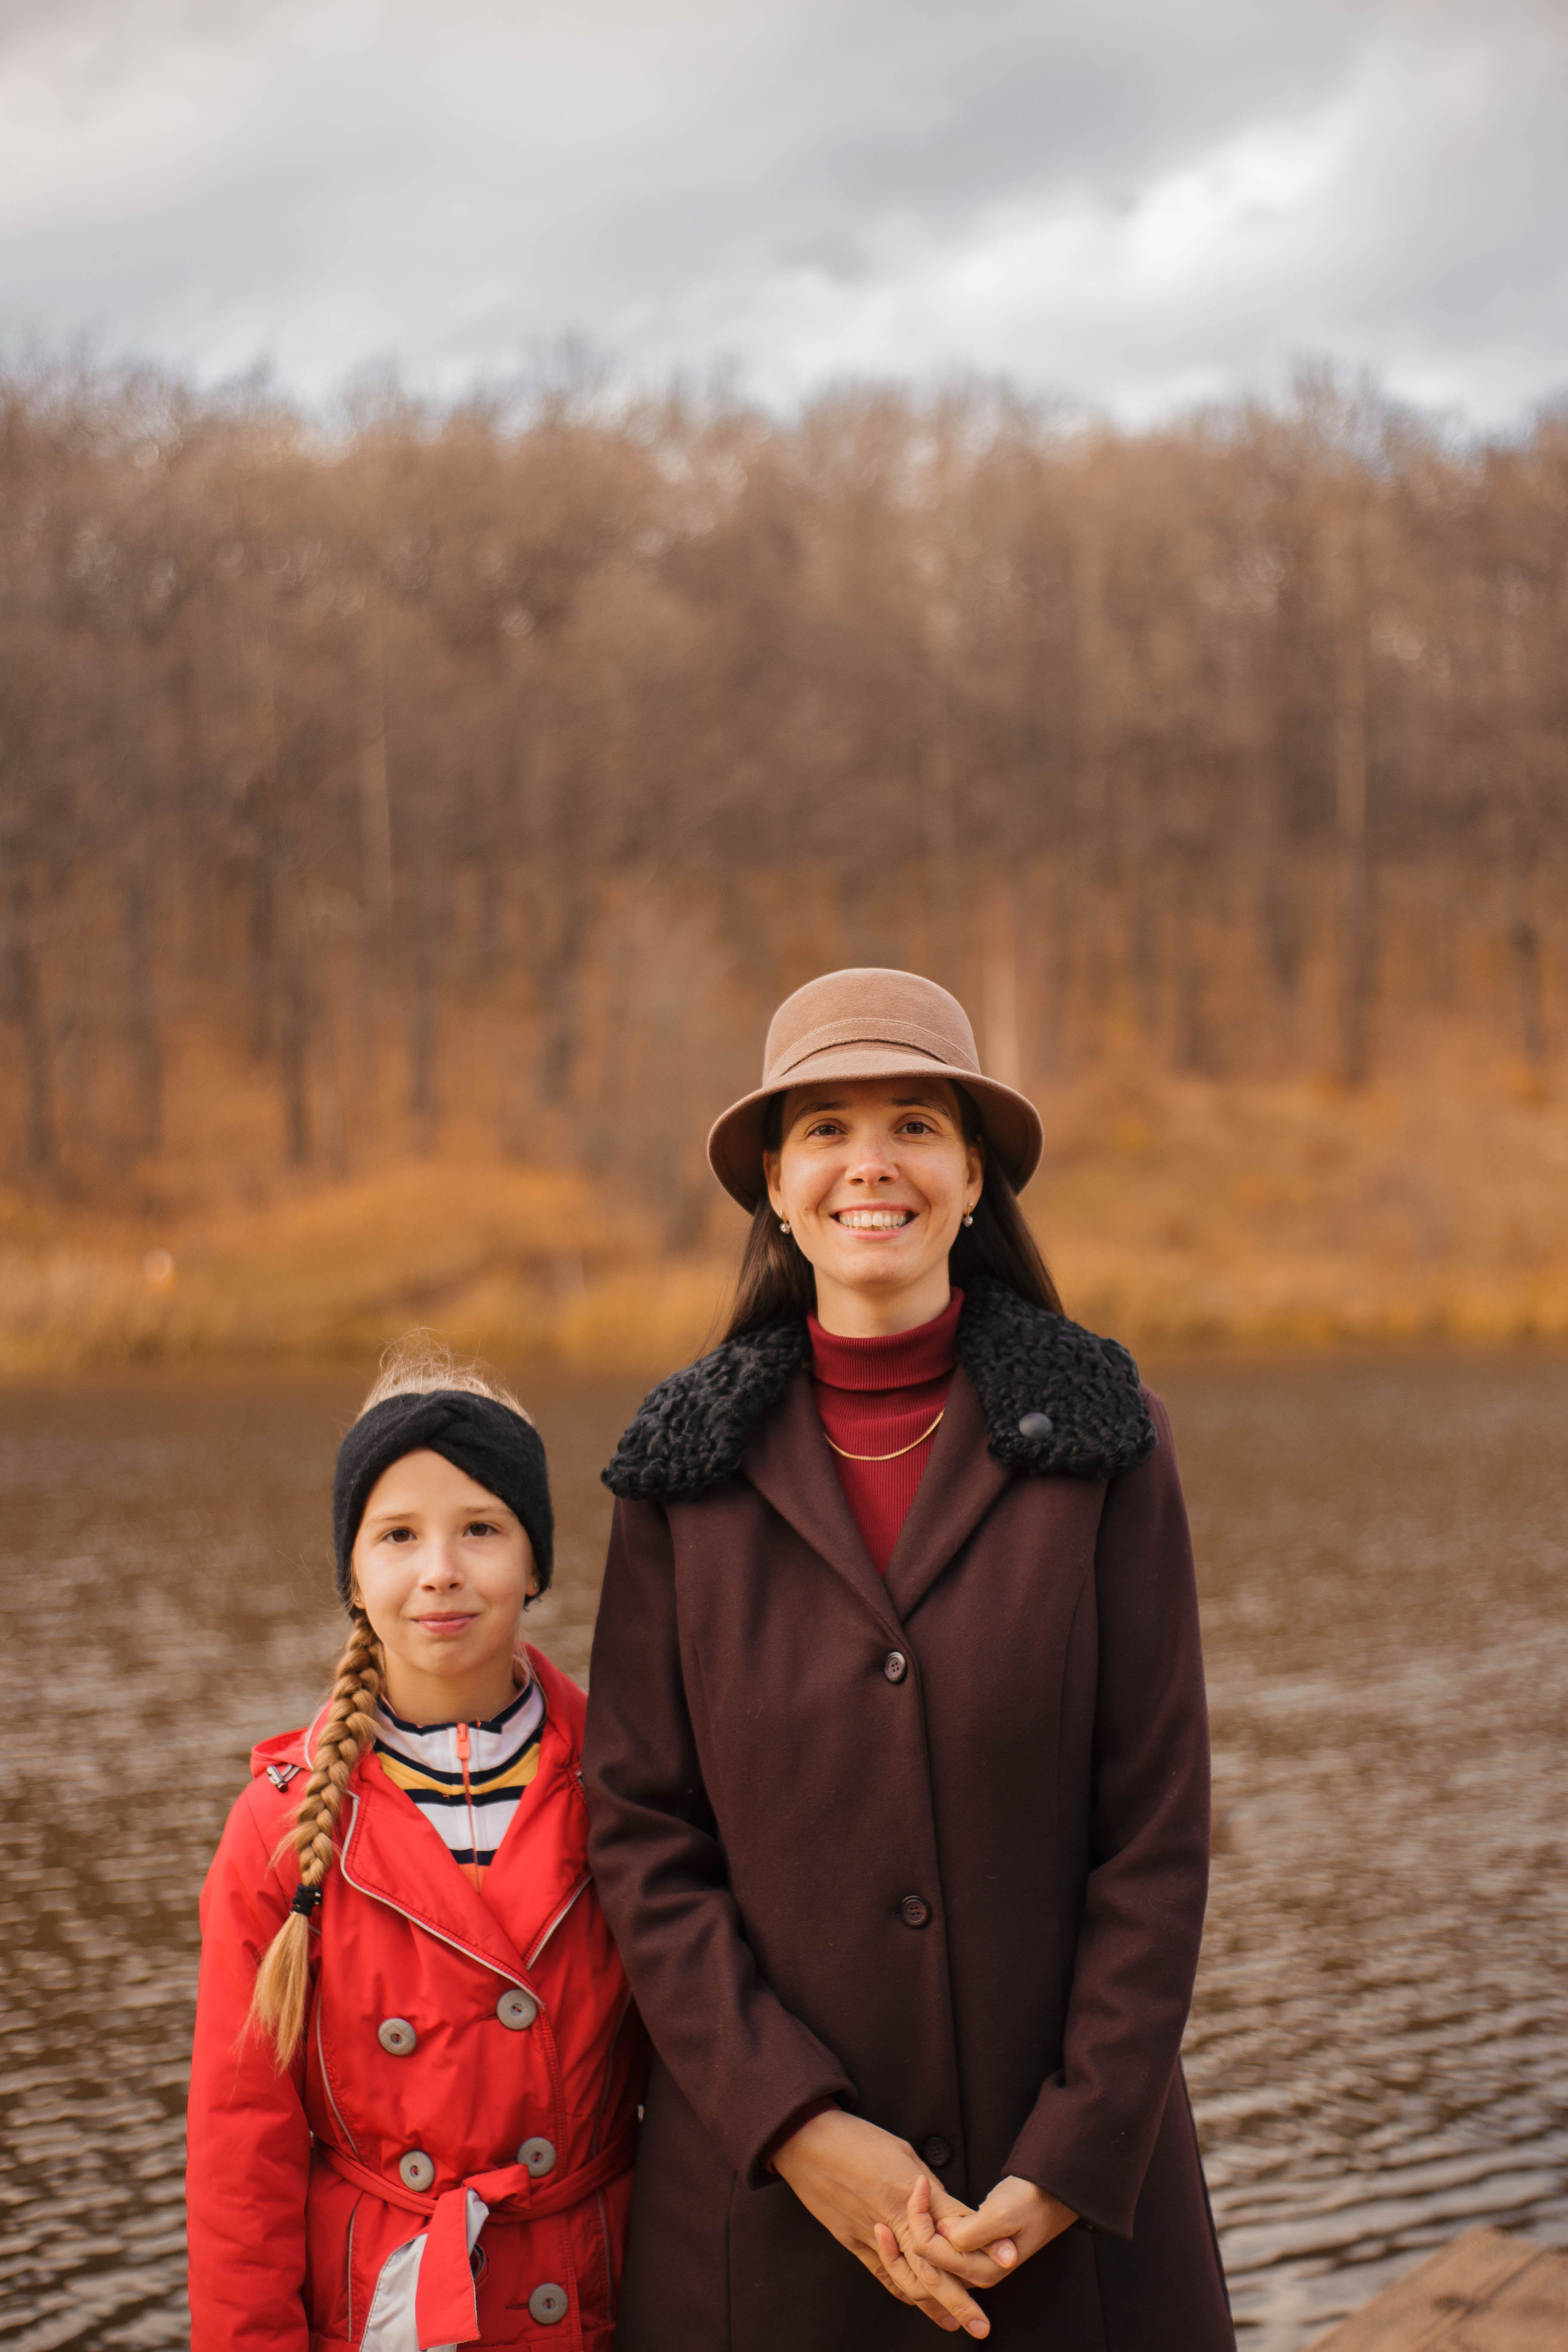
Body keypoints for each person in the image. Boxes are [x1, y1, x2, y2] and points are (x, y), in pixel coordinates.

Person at [583, 968, 1232, 2350]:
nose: (867, 1164)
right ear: (771, 1182)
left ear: (973, 1175)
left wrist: (1072, 2152)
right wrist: (799, 2128)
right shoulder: (676, 1477)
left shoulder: (1108, 1440)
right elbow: (641, 1838)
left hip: (1065, 2223)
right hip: (764, 2229)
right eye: (822, 1128)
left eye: (913, 1124)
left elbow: (1157, 1828)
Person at [187, 1347, 644, 2352]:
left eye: (481, 1528)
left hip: (599, 2290)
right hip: (382, 2305)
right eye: (397, 1534)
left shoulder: (632, 1779)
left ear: (536, 1564)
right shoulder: (278, 1829)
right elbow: (240, 2157)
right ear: (352, 1573)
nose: (440, 1568)